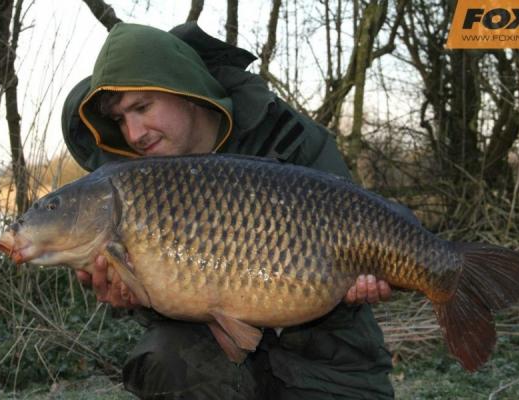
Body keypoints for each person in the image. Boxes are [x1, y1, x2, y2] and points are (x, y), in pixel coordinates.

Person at [62, 22, 400, 399]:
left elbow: (363, 228)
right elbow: (180, 292)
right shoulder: (139, 186)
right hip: (215, 360)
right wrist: (137, 295)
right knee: (167, 361)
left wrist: (365, 276)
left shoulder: (290, 137)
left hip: (329, 356)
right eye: (120, 120)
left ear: (185, 89)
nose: (134, 133)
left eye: (142, 107)